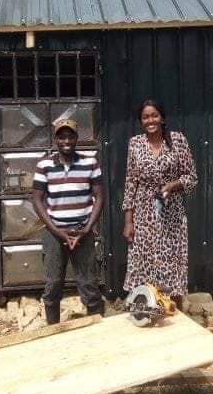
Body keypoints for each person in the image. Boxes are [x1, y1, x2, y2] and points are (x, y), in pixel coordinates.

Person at [122, 100, 197, 306]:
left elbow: (191, 177)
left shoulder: (178, 140)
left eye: (154, 115)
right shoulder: (135, 143)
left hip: (171, 213)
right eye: (145, 117)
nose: (150, 120)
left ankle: (174, 310)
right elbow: (130, 182)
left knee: (171, 261)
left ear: (162, 118)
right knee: (144, 261)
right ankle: (146, 310)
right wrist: (129, 221)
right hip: (143, 212)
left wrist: (173, 185)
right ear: (141, 121)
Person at [32, 117, 104, 324]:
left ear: (76, 138)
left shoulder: (90, 163)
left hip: (83, 231)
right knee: (53, 283)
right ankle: (53, 331)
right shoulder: (44, 165)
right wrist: (56, 231)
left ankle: (96, 331)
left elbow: (99, 196)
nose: (66, 141)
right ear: (56, 139)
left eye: (70, 136)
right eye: (61, 136)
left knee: (89, 283)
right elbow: (37, 199)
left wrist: (87, 228)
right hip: (54, 233)